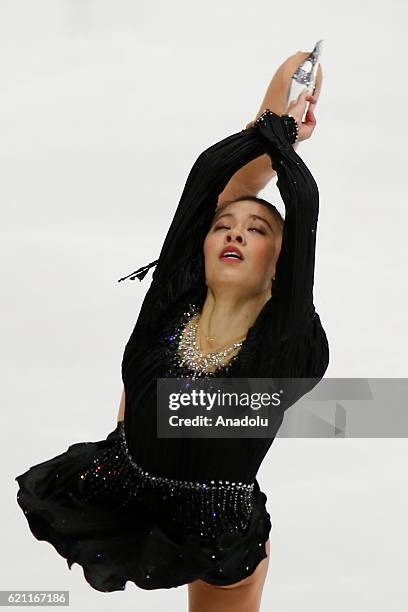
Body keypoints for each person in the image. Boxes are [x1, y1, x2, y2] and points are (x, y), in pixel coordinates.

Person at [15, 48, 329, 612]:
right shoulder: (173, 303)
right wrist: (272, 119)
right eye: (223, 229)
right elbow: (211, 186)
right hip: (122, 481)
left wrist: (282, 146)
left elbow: (298, 208)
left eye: (255, 230)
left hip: (216, 524)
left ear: (280, 264)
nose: (232, 233)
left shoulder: (285, 346)